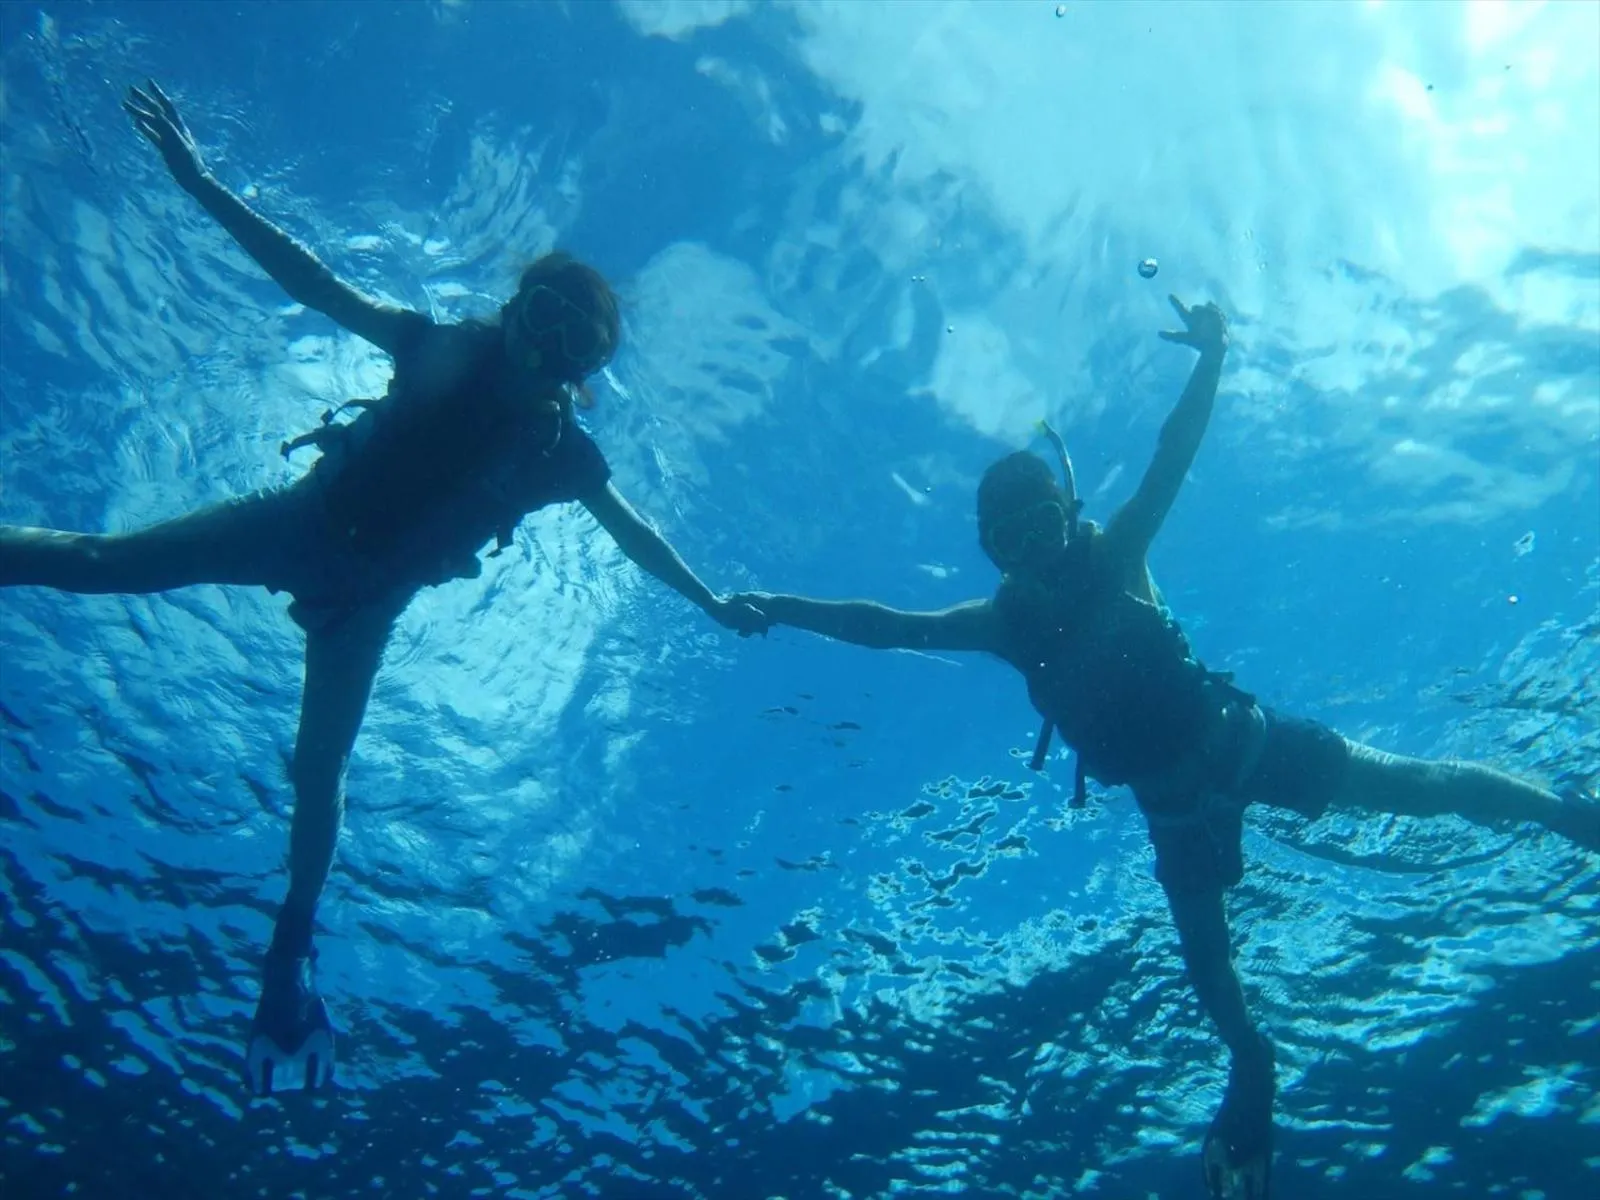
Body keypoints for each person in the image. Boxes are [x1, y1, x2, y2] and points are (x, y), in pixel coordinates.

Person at [0, 81, 767, 1098]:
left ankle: (289, 957)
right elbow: (307, 279)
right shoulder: (437, 344)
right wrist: (199, 179)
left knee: (320, 779)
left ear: (583, 372)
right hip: (297, 524)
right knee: (106, 565)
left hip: (367, 607)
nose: (546, 350)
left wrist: (710, 599)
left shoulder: (562, 455)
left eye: (574, 347)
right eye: (543, 319)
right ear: (514, 309)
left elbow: (636, 537)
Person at [734, 297, 1598, 1200]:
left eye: (1044, 525)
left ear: (1067, 515)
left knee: (1420, 785)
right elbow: (883, 626)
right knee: (1208, 971)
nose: (1035, 550)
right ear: (994, 554)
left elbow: (1171, 455)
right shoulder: (1001, 624)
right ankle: (1254, 1066)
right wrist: (779, 606)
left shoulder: (1118, 553)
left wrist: (1212, 357)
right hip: (1175, 817)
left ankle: (1566, 810)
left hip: (1247, 746)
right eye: (1011, 541)